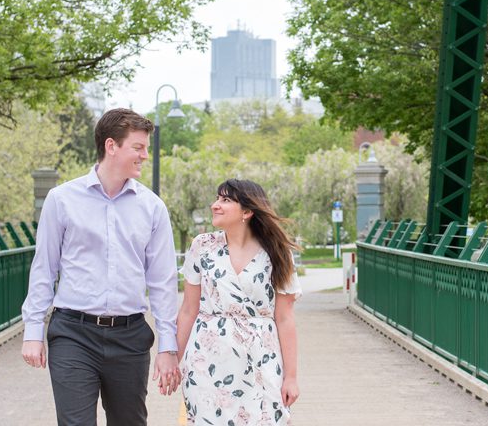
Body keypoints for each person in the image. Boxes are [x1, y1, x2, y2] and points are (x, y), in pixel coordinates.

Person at [21, 108, 181, 425]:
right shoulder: (61, 200)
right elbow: (44, 269)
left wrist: (168, 347)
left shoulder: (152, 208)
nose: (145, 156)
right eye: (138, 147)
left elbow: (163, 282)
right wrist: (33, 330)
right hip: (73, 334)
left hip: (130, 336)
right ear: (111, 146)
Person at [177, 179, 301, 425]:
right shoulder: (202, 246)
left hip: (260, 361)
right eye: (216, 199)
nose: (215, 205)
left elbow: (285, 319)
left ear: (247, 211)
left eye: (225, 200)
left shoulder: (277, 253)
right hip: (207, 362)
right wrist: (172, 359)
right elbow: (188, 311)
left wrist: (291, 377)